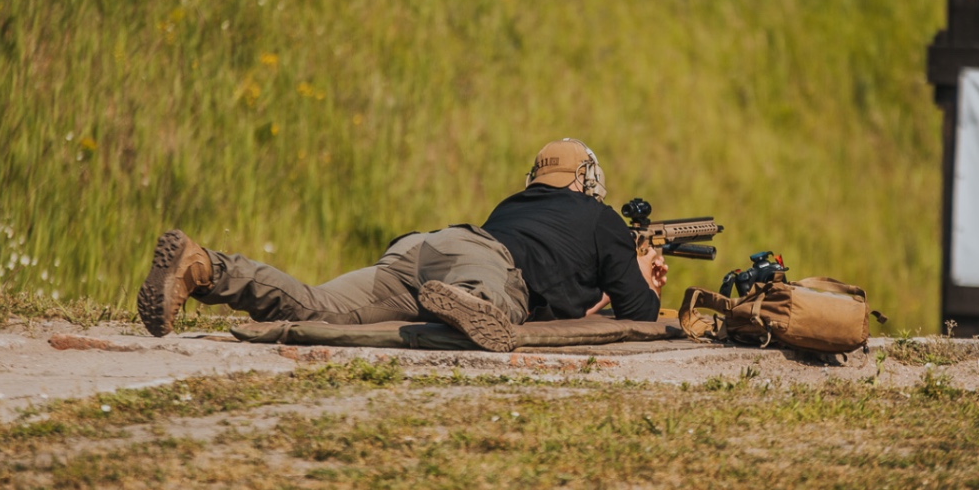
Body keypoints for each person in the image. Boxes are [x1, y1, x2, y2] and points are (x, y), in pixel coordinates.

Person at [137, 138, 668, 351]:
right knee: (493, 300)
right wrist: (641, 269)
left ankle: (205, 267)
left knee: (317, 306)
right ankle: (472, 305)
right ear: (592, 182)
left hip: (426, 247)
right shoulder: (601, 220)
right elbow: (639, 314)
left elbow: (561, 279)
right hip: (482, 264)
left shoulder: (513, 205)